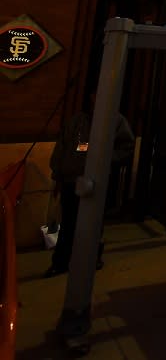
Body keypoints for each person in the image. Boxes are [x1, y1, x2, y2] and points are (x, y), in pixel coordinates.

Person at [45, 94, 132, 278]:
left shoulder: (116, 121)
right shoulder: (77, 121)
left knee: (92, 224)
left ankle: (91, 260)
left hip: (95, 182)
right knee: (68, 224)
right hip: (71, 180)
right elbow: (62, 147)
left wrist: (106, 160)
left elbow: (126, 148)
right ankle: (61, 262)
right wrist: (57, 175)